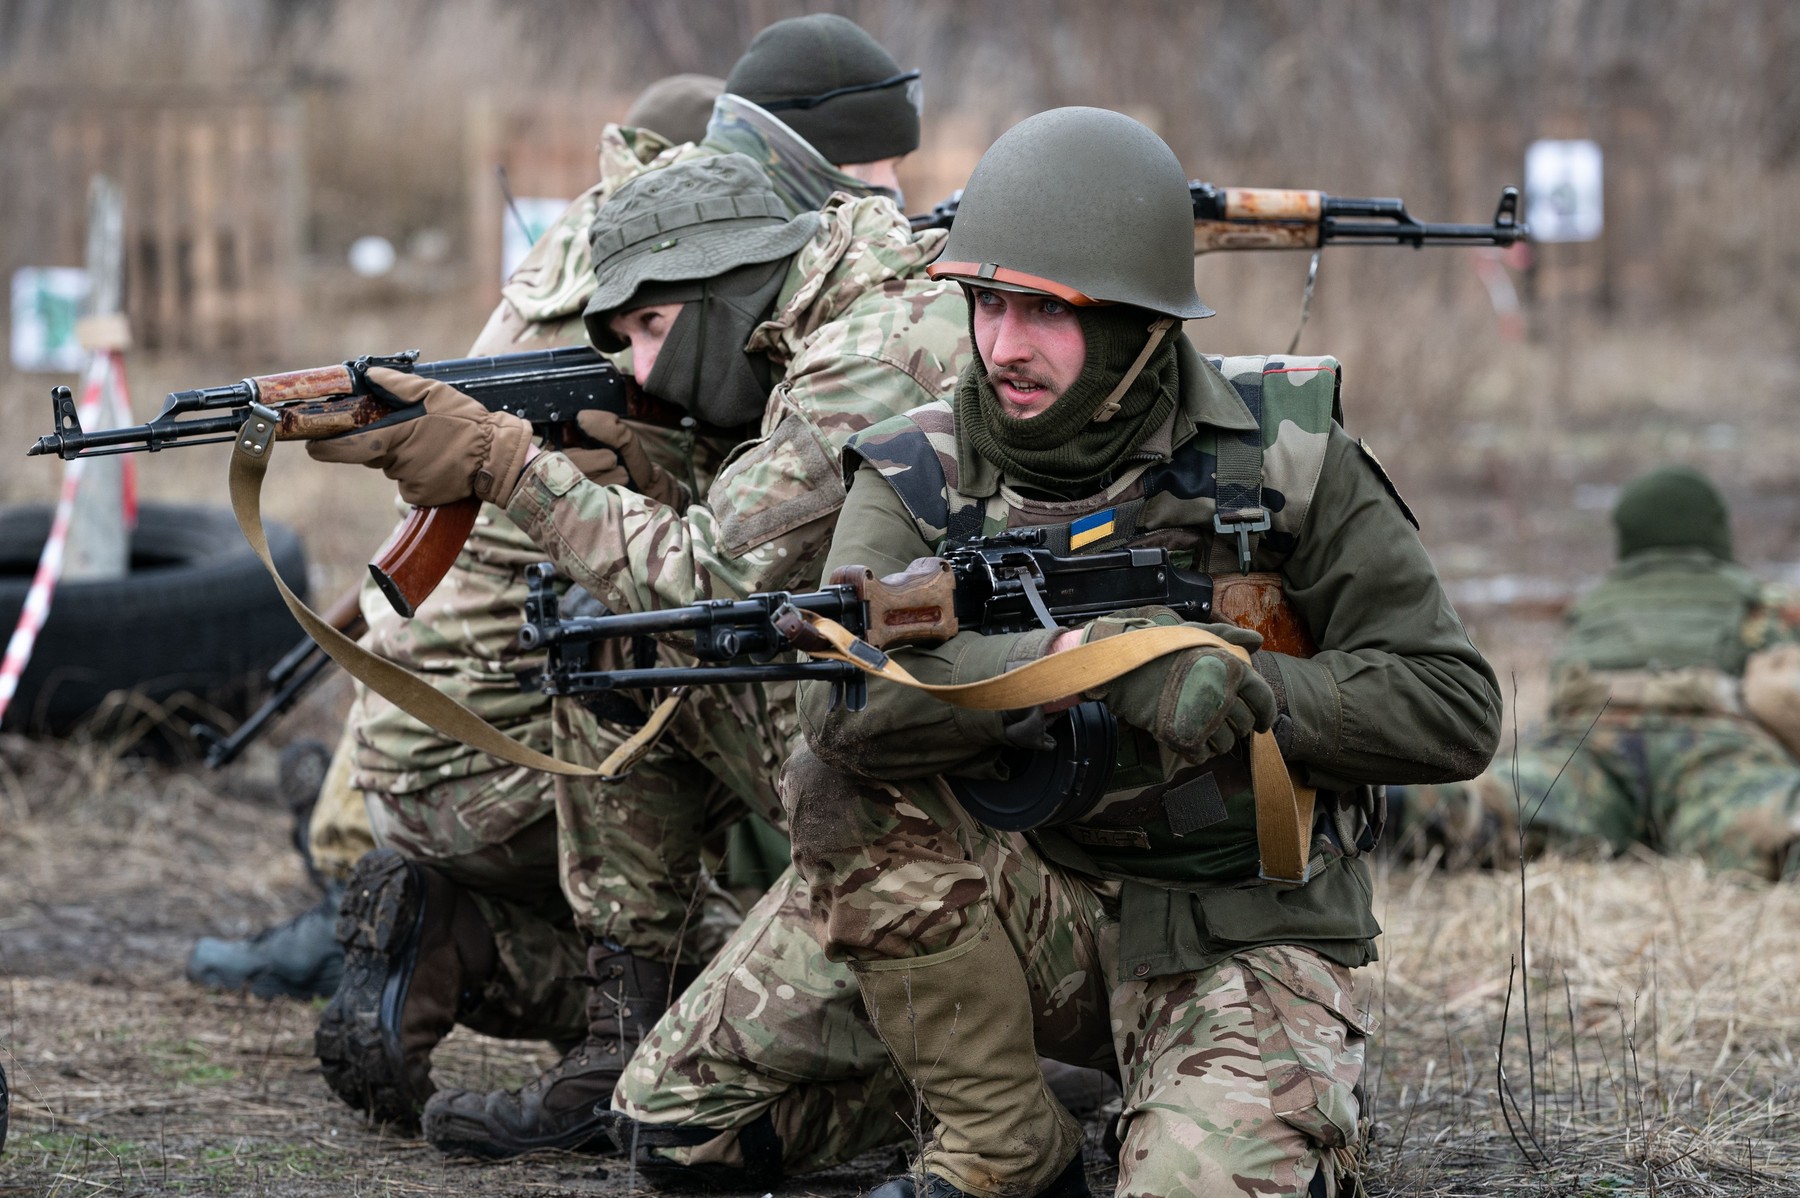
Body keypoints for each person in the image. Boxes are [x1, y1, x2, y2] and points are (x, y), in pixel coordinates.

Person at [773, 107, 1502, 1198]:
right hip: (1032, 912)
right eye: (986, 302)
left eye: (1044, 313)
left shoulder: (1288, 452)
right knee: (694, 1126)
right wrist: (1073, 660)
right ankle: (1009, 1139)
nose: (1001, 346)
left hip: (1242, 929)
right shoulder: (917, 467)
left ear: (1137, 325)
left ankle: (1243, 1095)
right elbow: (839, 709)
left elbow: (1455, 705)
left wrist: (1241, 684)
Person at [308, 146, 971, 1164]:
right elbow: (779, 518)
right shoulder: (830, 305)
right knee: (608, 642)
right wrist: (648, 462)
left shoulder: (872, 347)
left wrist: (507, 465)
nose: (643, 369)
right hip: (916, 717)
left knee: (629, 634)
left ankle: (976, 1076)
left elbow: (716, 577)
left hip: (976, 784)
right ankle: (614, 1045)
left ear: (727, 284)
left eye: (652, 330)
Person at [180, 71, 727, 1025]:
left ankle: (362, 862)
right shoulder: (647, 278)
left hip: (479, 727)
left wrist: (632, 460)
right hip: (478, 728)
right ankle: (361, 872)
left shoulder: (588, 267)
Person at [1390, 465, 1800, 880]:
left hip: (1590, 737)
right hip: (1713, 742)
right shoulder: (1763, 600)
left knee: (1512, 804)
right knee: (1764, 817)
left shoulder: (1597, 603)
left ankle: (1404, 810)